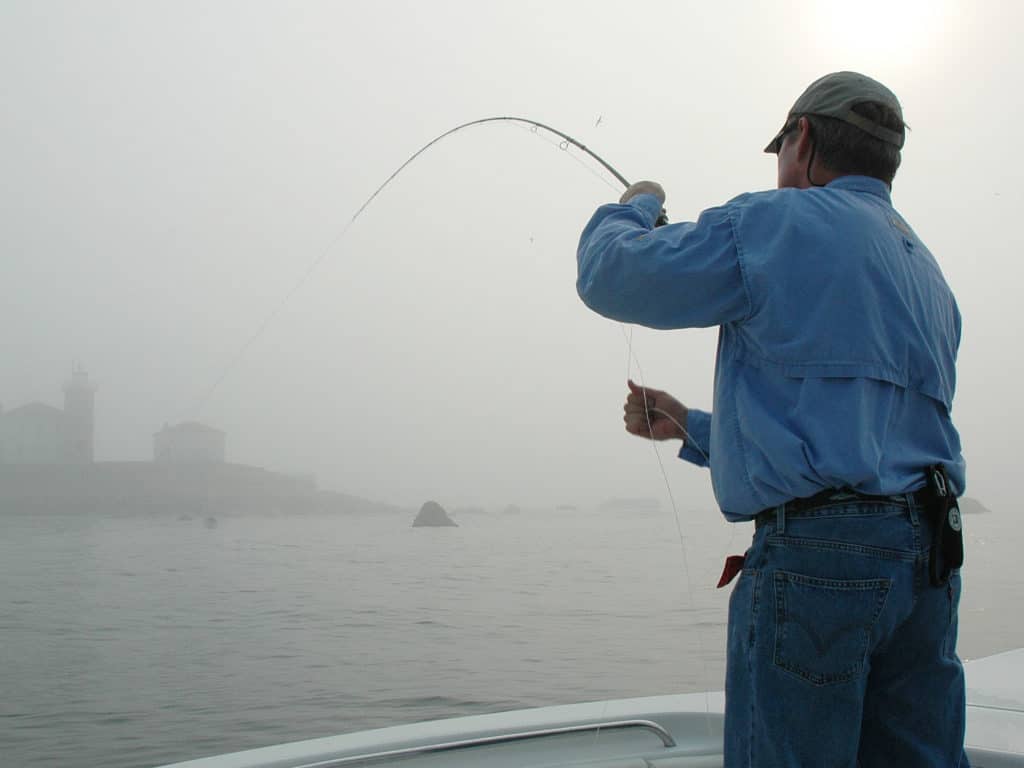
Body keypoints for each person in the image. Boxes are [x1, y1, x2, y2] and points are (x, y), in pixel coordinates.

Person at [576, 71, 969, 767]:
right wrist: (687, 425)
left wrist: (635, 205)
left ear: (804, 138)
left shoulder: (775, 222)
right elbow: (861, 435)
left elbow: (612, 274)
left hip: (820, 567)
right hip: (928, 570)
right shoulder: (928, 274)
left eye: (780, 147)